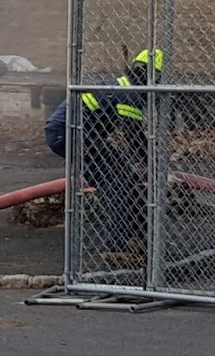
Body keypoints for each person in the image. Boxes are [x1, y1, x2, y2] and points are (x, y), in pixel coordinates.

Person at [44, 47, 164, 258]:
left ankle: (134, 238)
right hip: (69, 133)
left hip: (70, 133)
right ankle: (116, 246)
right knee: (117, 180)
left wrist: (147, 164)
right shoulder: (131, 93)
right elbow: (134, 136)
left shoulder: (123, 85)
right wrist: (155, 167)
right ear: (152, 75)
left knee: (123, 177)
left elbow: (133, 139)